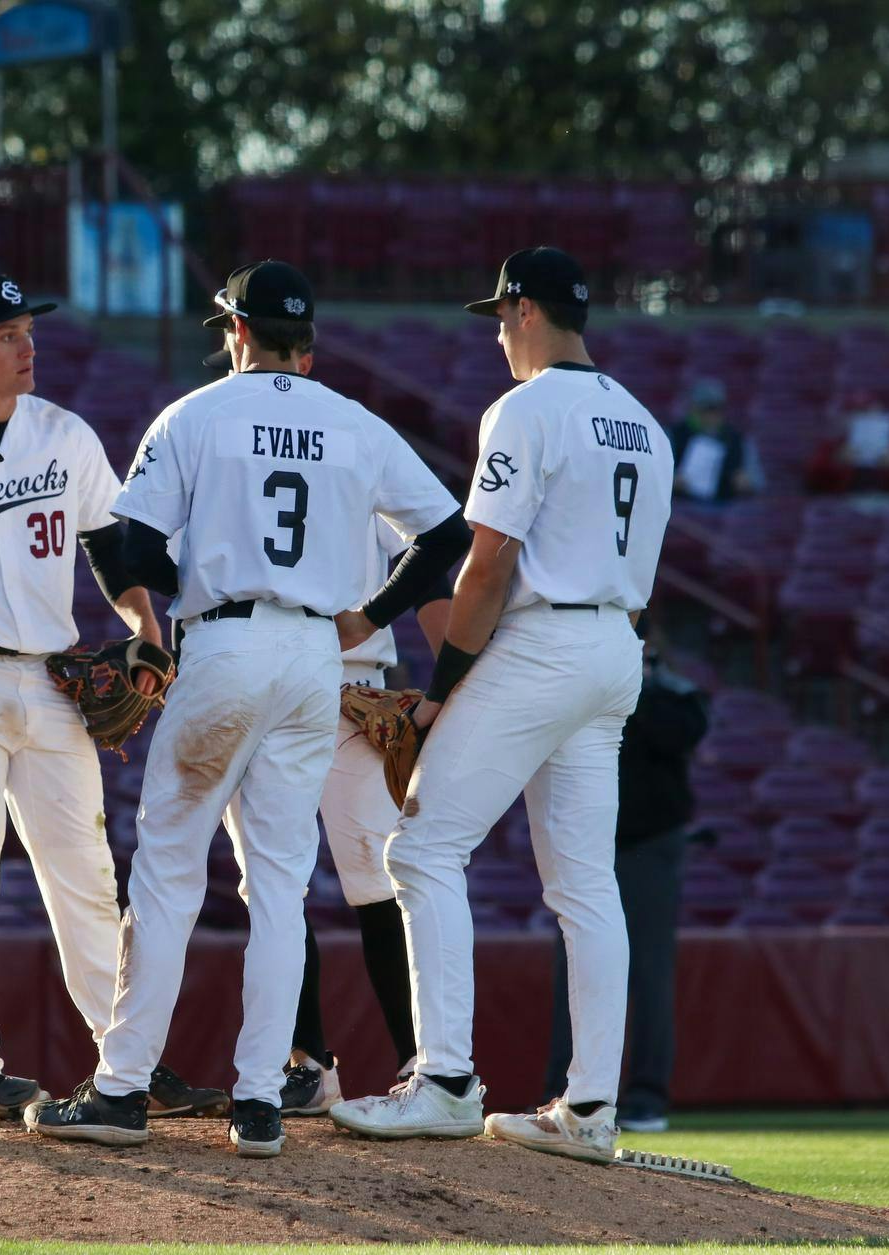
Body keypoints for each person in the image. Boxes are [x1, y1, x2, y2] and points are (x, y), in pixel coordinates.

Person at [27, 259, 467, 1157]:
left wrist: (148, 629)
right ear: (304, 343)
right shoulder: (354, 422)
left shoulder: (199, 414)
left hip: (223, 643)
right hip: (317, 657)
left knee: (169, 872)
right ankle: (262, 1100)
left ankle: (119, 1087)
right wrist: (372, 614)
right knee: (279, 884)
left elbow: (123, 535)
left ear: (236, 332)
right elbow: (449, 534)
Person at [328, 246, 675, 1163]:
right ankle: (592, 1107)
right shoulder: (643, 421)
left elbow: (487, 565)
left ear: (525, 311)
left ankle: (443, 1079)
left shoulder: (524, 409)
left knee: (425, 845)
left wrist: (443, 690)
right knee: (587, 887)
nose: (495, 330)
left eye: (499, 313)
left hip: (547, 639)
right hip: (614, 645)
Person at [0, 272, 225, 1120]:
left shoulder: (64, 434)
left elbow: (110, 547)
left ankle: (127, 1065)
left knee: (86, 878)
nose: (27, 346)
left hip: (53, 677)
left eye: (27, 330)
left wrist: (144, 626)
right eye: (8, 333)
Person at [205, 345, 453, 1114]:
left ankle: (415, 1064)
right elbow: (435, 562)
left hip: (336, 693)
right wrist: (448, 688)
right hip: (328, 685)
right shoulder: (351, 445)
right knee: (303, 885)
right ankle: (317, 1060)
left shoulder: (224, 443)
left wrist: (445, 689)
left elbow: (432, 565)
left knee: (352, 883)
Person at [540, 631, 709, 1133]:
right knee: (573, 967)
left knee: (651, 972)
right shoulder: (578, 676)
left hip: (647, 844)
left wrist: (632, 681)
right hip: (586, 839)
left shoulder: (670, 691)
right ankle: (564, 1091)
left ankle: (645, 1096)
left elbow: (681, 736)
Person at [804, 391, 889, 497]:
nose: (867, 421)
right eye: (860, 414)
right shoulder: (828, 448)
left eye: (873, 416)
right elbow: (812, 487)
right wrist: (836, 464)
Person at [669, 378, 759, 504]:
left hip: (724, 509)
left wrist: (745, 481)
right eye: (705, 410)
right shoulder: (673, 435)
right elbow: (658, 475)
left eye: (715, 409)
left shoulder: (736, 439)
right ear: (693, 408)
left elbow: (757, 480)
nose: (710, 416)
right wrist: (672, 480)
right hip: (681, 506)